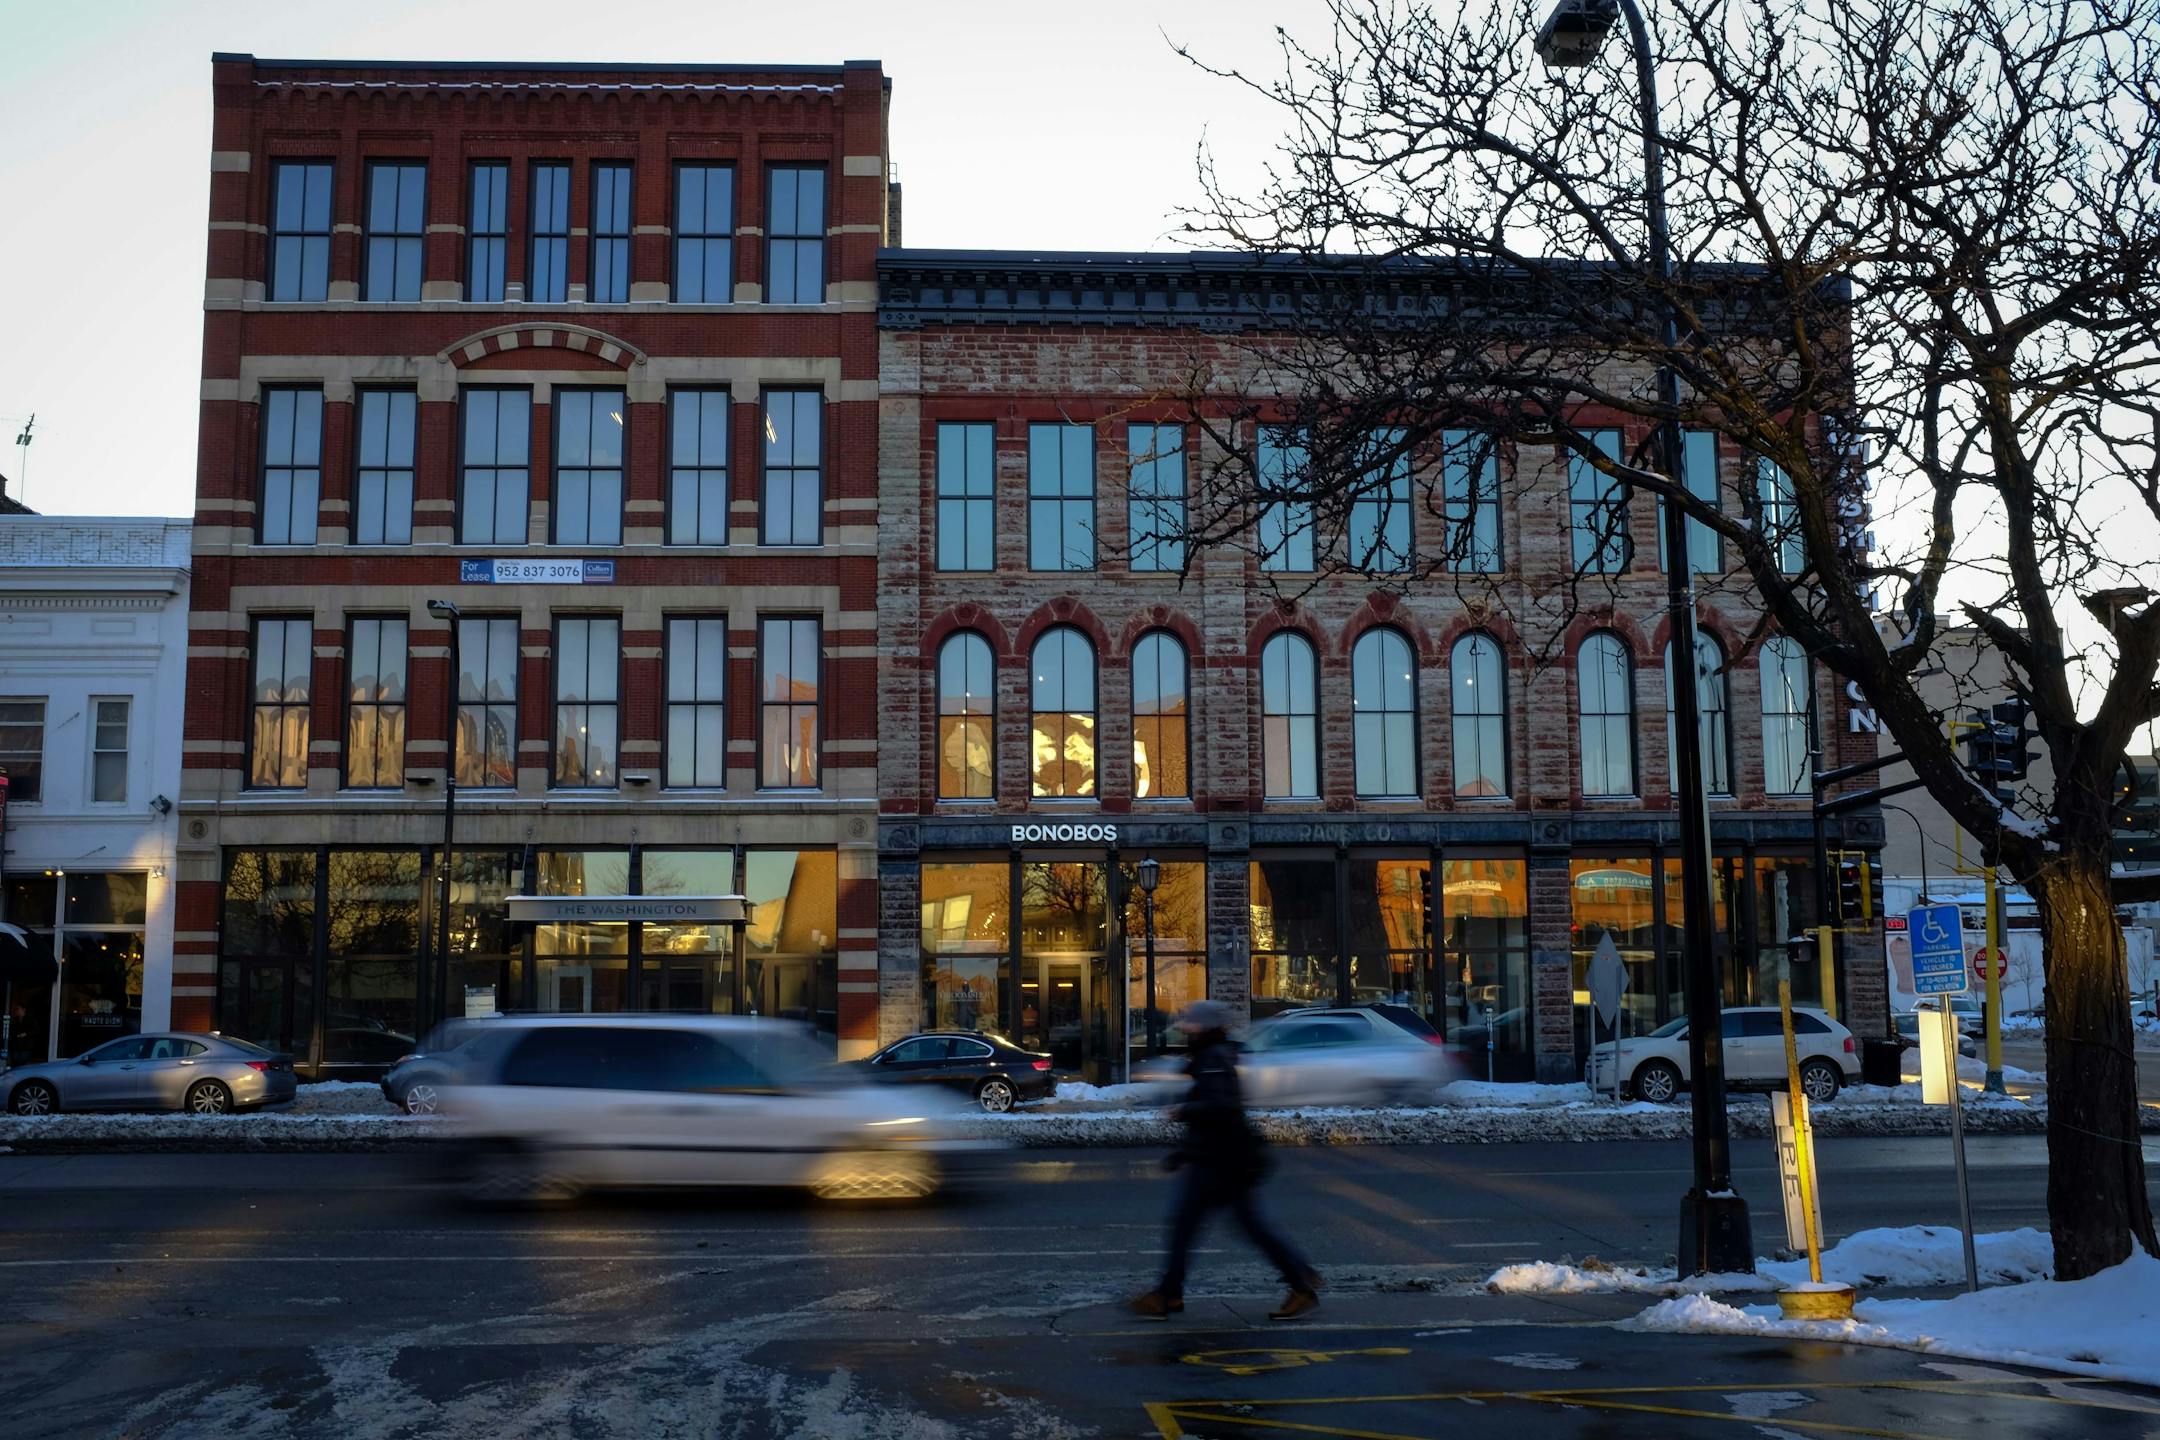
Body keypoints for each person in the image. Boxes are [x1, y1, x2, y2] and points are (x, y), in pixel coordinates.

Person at [1129, 999, 1321, 1322]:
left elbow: (1223, 1108)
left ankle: (1169, 1294)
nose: (1186, 1028)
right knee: (1219, 1227)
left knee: (1198, 1226)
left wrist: (1183, 1111)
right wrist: (1183, 1152)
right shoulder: (1209, 1056)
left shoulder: (1213, 1058)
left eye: (1192, 1024)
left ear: (1205, 1027)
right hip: (1219, 1159)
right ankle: (1170, 1294)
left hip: (1222, 1163)